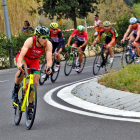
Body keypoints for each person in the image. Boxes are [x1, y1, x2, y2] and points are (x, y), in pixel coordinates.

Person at [12, 25, 52, 116]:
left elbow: (49, 59)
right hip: (24, 58)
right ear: (37, 37)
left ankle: (30, 106)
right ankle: (15, 89)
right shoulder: (30, 41)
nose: (46, 40)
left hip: (34, 60)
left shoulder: (48, 44)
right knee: (22, 70)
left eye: (47, 37)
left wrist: (49, 67)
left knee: (35, 81)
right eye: (44, 37)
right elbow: (22, 55)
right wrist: (19, 64)